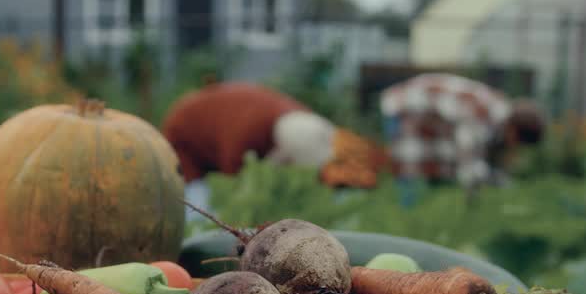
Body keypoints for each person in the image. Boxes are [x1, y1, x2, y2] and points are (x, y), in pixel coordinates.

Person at [160, 81, 383, 188]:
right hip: (186, 137)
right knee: (192, 200)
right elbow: (239, 179)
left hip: (267, 127)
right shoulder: (244, 135)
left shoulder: (296, 118)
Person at [379, 74, 543, 194]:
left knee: (437, 171)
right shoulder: (486, 116)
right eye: (518, 143)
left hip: (425, 114)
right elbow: (468, 158)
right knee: (410, 174)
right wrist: (479, 190)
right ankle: (404, 230)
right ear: (514, 131)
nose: (515, 147)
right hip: (405, 109)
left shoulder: (499, 112)